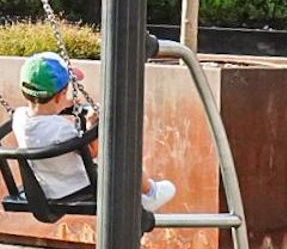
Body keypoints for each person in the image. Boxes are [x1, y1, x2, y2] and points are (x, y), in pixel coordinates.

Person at [12, 51, 175, 212]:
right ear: (58, 96)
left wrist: (63, 102)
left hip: (46, 188)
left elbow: (45, 117)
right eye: (66, 93)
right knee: (122, 156)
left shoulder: (19, 117)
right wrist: (90, 123)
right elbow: (91, 151)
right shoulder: (60, 129)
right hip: (77, 186)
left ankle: (142, 196)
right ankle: (151, 193)